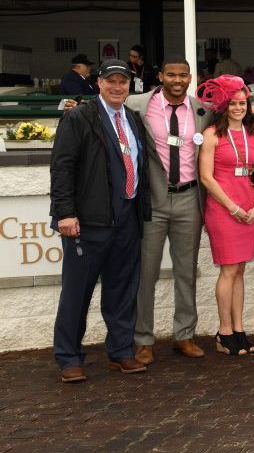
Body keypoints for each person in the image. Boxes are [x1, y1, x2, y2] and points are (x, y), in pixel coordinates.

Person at [50, 59, 150, 383]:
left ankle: (121, 352)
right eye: (112, 81)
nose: (118, 87)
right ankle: (68, 357)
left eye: (123, 81)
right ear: (99, 84)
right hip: (90, 222)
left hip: (127, 218)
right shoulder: (80, 117)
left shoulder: (133, 120)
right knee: (77, 293)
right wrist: (65, 213)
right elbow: (62, 168)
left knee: (122, 290)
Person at [125, 59, 213, 364]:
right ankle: (143, 340)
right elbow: (104, 112)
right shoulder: (136, 104)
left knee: (186, 271)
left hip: (189, 198)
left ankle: (184, 335)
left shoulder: (203, 111)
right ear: (160, 76)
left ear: (191, 78)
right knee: (146, 272)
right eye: (171, 74)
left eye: (183, 75)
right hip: (153, 200)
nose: (177, 80)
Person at [196, 75, 254, 356]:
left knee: (241, 269)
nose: (239, 108)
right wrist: (233, 208)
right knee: (229, 268)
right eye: (233, 103)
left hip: (249, 208)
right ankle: (224, 332)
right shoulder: (212, 134)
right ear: (224, 106)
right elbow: (206, 178)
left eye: (242, 103)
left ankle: (239, 328)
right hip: (224, 209)